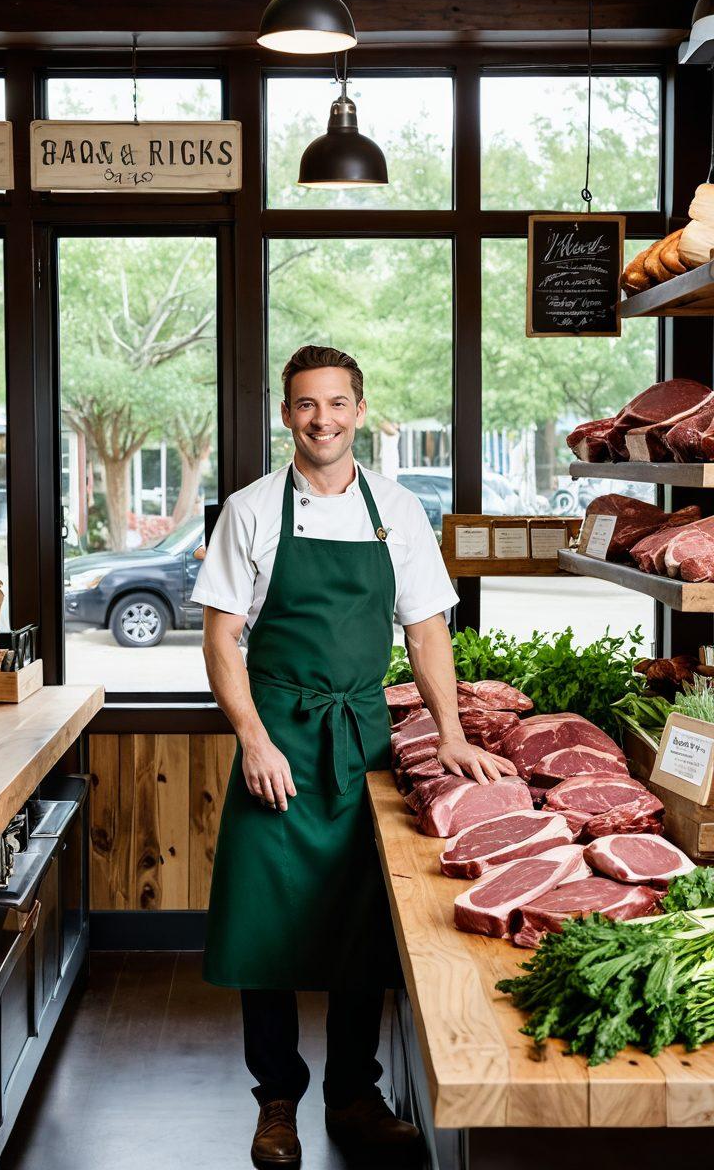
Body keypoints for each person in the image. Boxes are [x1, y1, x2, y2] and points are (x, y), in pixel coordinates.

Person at [192, 345, 516, 1168]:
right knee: (265, 932)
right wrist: (254, 739)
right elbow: (222, 637)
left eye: (336, 404)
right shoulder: (253, 510)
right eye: (306, 405)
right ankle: (275, 1102)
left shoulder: (397, 511)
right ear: (285, 414)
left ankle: (353, 1096)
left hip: (364, 744)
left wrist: (450, 732)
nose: (322, 419)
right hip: (280, 744)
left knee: (361, 929)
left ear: (360, 411)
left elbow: (426, 627)